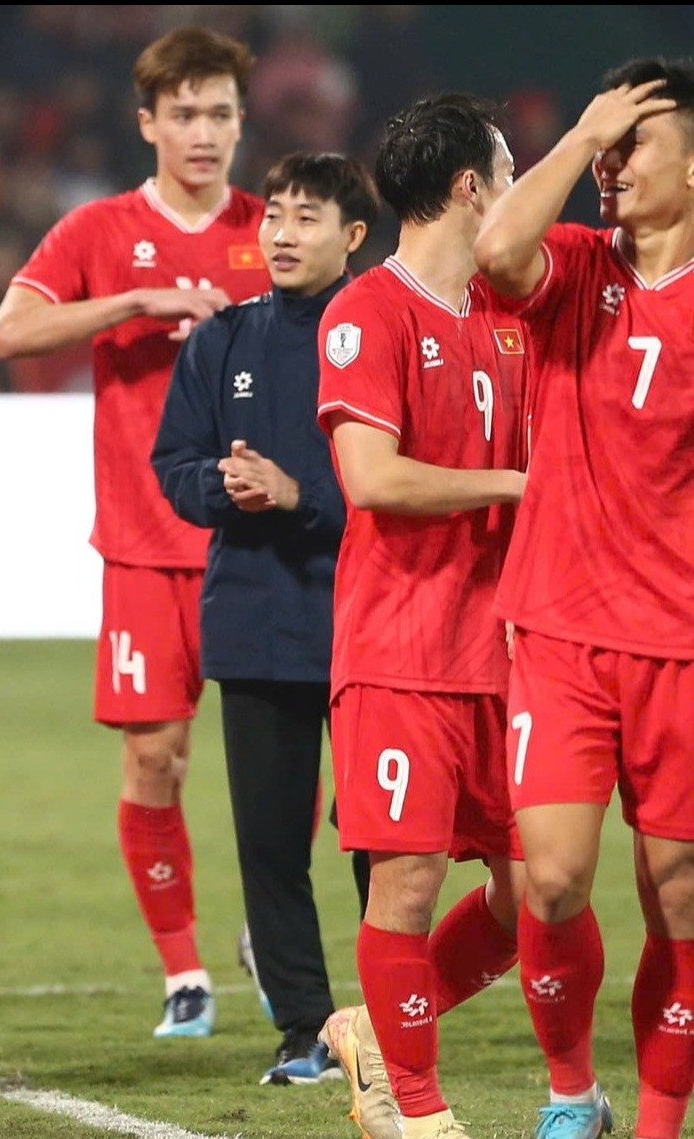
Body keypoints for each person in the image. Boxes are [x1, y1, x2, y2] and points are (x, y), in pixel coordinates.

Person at [0, 26, 270, 1038]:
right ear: (146, 121)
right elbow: (8, 331)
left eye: (221, 114)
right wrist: (134, 302)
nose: (203, 133)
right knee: (157, 761)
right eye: (185, 114)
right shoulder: (100, 231)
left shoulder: (274, 229)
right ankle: (184, 968)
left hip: (266, 545)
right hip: (147, 543)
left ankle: (270, 936)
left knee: (279, 762)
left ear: (243, 123)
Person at [474, 58, 694, 1139]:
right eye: (604, 146)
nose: (611, 165)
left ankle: (660, 1115)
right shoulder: (569, 266)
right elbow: (494, 249)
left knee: (679, 899)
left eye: (633, 145)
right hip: (559, 626)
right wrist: (578, 133)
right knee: (551, 881)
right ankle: (573, 1090)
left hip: (681, 644)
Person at [311, 93, 534, 1139]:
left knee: (542, 890)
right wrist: (515, 486)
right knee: (402, 882)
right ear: (468, 186)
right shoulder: (366, 311)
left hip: (513, 649)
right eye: (509, 167)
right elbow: (372, 476)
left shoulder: (513, 311)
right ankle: (419, 1102)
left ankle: (373, 1027)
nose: (519, 186)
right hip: (402, 644)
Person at [152, 152, 376, 1086]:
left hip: (369, 621)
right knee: (271, 842)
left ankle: (395, 1010)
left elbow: (406, 475)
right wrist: (220, 485)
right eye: (274, 215)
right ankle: (304, 1029)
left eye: (306, 218)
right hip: (254, 620)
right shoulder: (224, 339)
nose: (281, 233)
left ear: (354, 236)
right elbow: (174, 463)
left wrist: (300, 494)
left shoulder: (385, 331)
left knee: (378, 835)